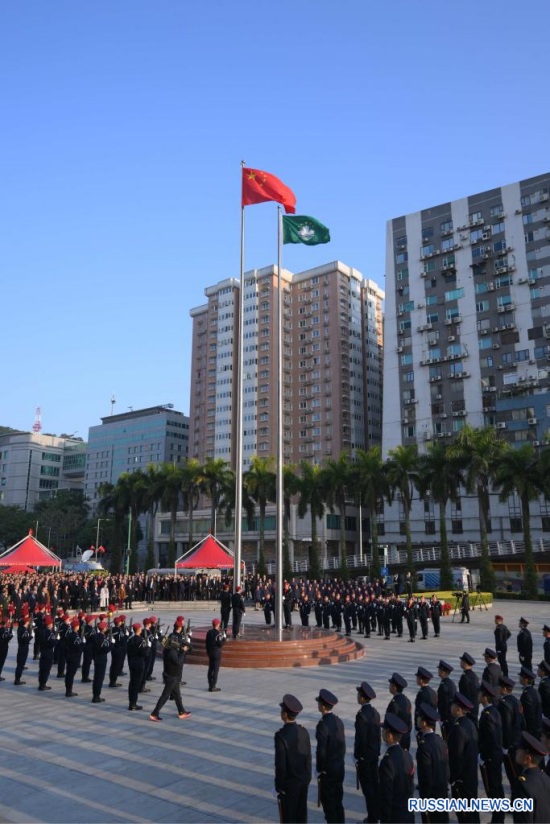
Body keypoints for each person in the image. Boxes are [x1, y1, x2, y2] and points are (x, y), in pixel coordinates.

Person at [274, 693, 312, 823]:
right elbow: (308, 757)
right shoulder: (303, 731)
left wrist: (279, 787)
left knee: (289, 817)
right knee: (301, 816)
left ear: (284, 714)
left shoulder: (281, 736)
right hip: (303, 781)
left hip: (289, 786)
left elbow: (280, 766)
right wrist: (307, 778)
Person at [149, 618, 191, 721]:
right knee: (165, 695)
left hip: (173, 674)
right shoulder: (172, 649)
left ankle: (181, 711)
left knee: (177, 694)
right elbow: (177, 661)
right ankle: (154, 713)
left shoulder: (170, 642)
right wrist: (184, 652)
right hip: (171, 674)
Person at [448, 693, 480, 824]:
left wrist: (454, 779)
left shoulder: (458, 729)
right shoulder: (469, 723)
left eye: (453, 705)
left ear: (458, 708)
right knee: (471, 810)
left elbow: (456, 757)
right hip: (471, 775)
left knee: (464, 814)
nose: (451, 707)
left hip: (462, 779)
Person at [315, 688, 345, 824]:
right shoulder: (338, 721)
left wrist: (319, 769)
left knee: (329, 805)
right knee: (338, 802)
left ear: (322, 706)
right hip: (339, 767)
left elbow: (321, 751)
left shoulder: (322, 725)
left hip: (328, 771)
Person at [378, 712, 415, 823]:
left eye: (383, 730)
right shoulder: (407, 755)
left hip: (395, 817)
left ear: (389, 736)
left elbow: (386, 795)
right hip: (407, 814)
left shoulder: (388, 761)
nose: (382, 733)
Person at [416, 703, 449, 824]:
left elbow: (426, 777)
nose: (417, 719)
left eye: (419, 717)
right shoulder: (441, 741)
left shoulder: (424, 746)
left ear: (424, 723)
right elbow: (446, 769)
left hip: (431, 797)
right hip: (442, 792)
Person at [478, 680, 505, 824]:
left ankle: (497, 820)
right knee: (496, 787)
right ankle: (498, 818)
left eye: (480, 693)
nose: (478, 695)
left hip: (491, 758)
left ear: (485, 696)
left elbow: (491, 739)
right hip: (495, 756)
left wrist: (484, 756)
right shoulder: (493, 710)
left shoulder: (487, 715)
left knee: (493, 789)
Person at [354, 681, 380, 823]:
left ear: (363, 698)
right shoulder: (375, 712)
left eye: (359, 694)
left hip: (365, 757)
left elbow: (360, 739)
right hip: (374, 754)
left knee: (368, 788)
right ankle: (377, 812)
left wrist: (358, 756)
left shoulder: (361, 715)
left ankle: (372, 817)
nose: (357, 696)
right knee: (375, 784)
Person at [511, 731, 550, 823]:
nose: (516, 751)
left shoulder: (523, 787)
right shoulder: (546, 778)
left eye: (520, 750)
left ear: (527, 759)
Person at [498, 674, 524, 787]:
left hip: (510, 745)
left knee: (513, 775)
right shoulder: (516, 701)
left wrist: (505, 746)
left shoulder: (504, 704)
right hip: (518, 741)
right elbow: (522, 722)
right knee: (518, 772)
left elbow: (506, 726)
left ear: (504, 689)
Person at [386, 672, 412, 751]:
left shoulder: (394, 704)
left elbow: (391, 723)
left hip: (397, 740)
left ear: (394, 687)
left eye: (390, 685)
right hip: (406, 738)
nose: (389, 686)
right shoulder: (407, 700)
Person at [127, 622, 147, 711]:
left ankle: (131, 702)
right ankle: (133, 704)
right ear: (139, 630)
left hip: (131, 661)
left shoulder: (130, 640)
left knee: (132, 682)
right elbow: (143, 653)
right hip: (138, 662)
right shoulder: (140, 640)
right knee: (136, 683)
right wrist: (147, 647)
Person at [519, 666, 542, 739]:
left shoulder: (527, 695)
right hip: (536, 727)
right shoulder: (534, 691)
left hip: (530, 730)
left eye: (521, 677)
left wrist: (527, 730)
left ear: (525, 680)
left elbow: (528, 715)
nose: (519, 679)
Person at [458, 652, 480, 728]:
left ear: (465, 663)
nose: (460, 663)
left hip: (468, 708)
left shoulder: (465, 677)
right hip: (474, 707)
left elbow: (464, 694)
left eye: (461, 661)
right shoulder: (474, 675)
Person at [91, 621, 111, 703]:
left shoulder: (96, 636)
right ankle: (96, 696)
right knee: (99, 678)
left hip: (96, 658)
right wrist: (111, 644)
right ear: (103, 629)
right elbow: (105, 649)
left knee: (96, 678)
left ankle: (95, 695)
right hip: (101, 659)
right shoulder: (102, 638)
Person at [437, 660, 457, 740]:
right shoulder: (450, 683)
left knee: (447, 738)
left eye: (439, 670)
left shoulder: (443, 686)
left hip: (446, 718)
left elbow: (444, 703)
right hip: (451, 716)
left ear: (443, 672)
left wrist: (443, 718)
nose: (438, 671)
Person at [64, 618, 84, 697]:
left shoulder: (70, 634)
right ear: (76, 627)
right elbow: (78, 647)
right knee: (70, 675)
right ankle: (69, 691)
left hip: (70, 656)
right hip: (74, 657)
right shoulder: (75, 636)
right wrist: (82, 645)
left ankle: (68, 690)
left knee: (69, 674)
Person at [414, 666, 437, 735]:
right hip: (430, 724)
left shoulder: (422, 693)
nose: (416, 679)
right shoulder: (432, 691)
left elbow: (420, 710)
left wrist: (418, 726)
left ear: (421, 680)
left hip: (424, 726)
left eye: (417, 678)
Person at [37, 615, 57, 691]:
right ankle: (43, 684)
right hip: (48, 652)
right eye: (51, 624)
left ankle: (41, 683)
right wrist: (56, 641)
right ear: (49, 625)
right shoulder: (50, 633)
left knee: (42, 669)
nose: (52, 625)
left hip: (43, 651)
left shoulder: (42, 631)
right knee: (46, 669)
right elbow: (52, 643)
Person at [205, 618, 225, 692]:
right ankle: (213, 686)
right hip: (216, 653)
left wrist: (208, 651)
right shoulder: (218, 634)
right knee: (215, 670)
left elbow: (206, 642)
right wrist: (224, 638)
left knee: (210, 668)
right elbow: (220, 644)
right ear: (217, 625)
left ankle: (210, 684)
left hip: (210, 652)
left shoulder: (209, 632)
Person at [14, 615, 32, 685]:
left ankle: (17, 679)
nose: (29, 623)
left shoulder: (20, 628)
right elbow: (25, 640)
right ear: (26, 623)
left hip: (21, 648)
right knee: (20, 664)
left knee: (20, 664)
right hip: (23, 648)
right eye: (28, 622)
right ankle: (17, 680)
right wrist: (30, 637)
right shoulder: (24, 630)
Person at [0, 616, 14, 681]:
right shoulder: (3, 629)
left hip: (3, 646)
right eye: (8, 622)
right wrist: (11, 636)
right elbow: (6, 638)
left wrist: (11, 628)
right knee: (1, 662)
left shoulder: (4, 628)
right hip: (2, 647)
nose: (9, 623)